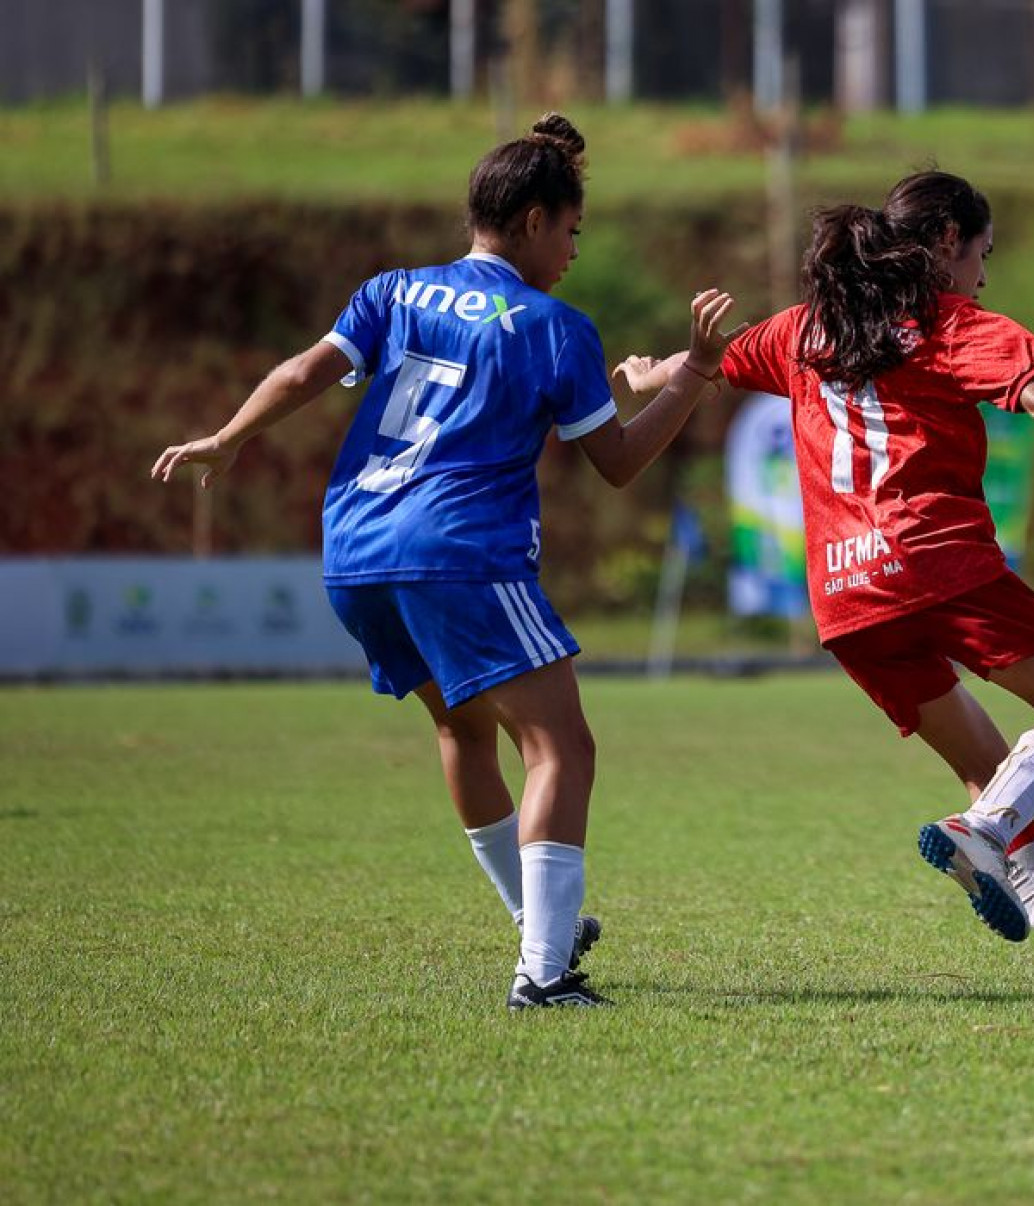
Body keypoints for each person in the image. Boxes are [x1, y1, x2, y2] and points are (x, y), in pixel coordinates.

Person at [151, 114, 738, 1010]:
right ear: (537, 219)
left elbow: (309, 371)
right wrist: (696, 372)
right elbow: (617, 464)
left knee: (463, 730)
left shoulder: (395, 289)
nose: (575, 251)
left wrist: (229, 438)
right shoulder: (553, 326)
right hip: (457, 550)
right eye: (573, 230)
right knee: (561, 747)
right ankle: (543, 975)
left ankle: (535, 923)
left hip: (354, 549)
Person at [620, 170, 1034, 990]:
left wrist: (650, 375)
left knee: (993, 769)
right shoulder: (946, 321)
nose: (983, 276)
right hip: (935, 559)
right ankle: (984, 831)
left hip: (845, 600)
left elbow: (708, 362)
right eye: (982, 253)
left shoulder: (805, 328)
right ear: (948, 240)